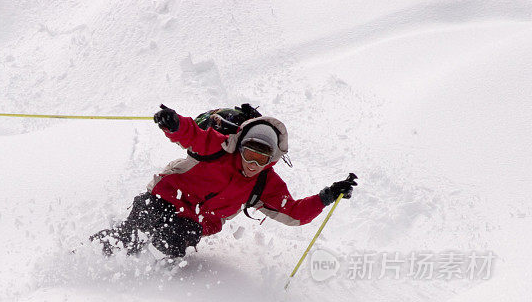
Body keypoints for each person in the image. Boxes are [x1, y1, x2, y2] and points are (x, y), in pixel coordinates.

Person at [91, 104, 357, 258]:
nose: (252, 165)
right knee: (134, 231)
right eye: (249, 154)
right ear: (240, 146)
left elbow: (294, 213)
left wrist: (326, 196)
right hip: (166, 195)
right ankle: (91, 254)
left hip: (197, 219)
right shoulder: (219, 148)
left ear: (271, 160)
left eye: (261, 159)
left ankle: (154, 287)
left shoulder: (265, 184)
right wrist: (173, 124)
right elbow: (192, 135)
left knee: (168, 242)